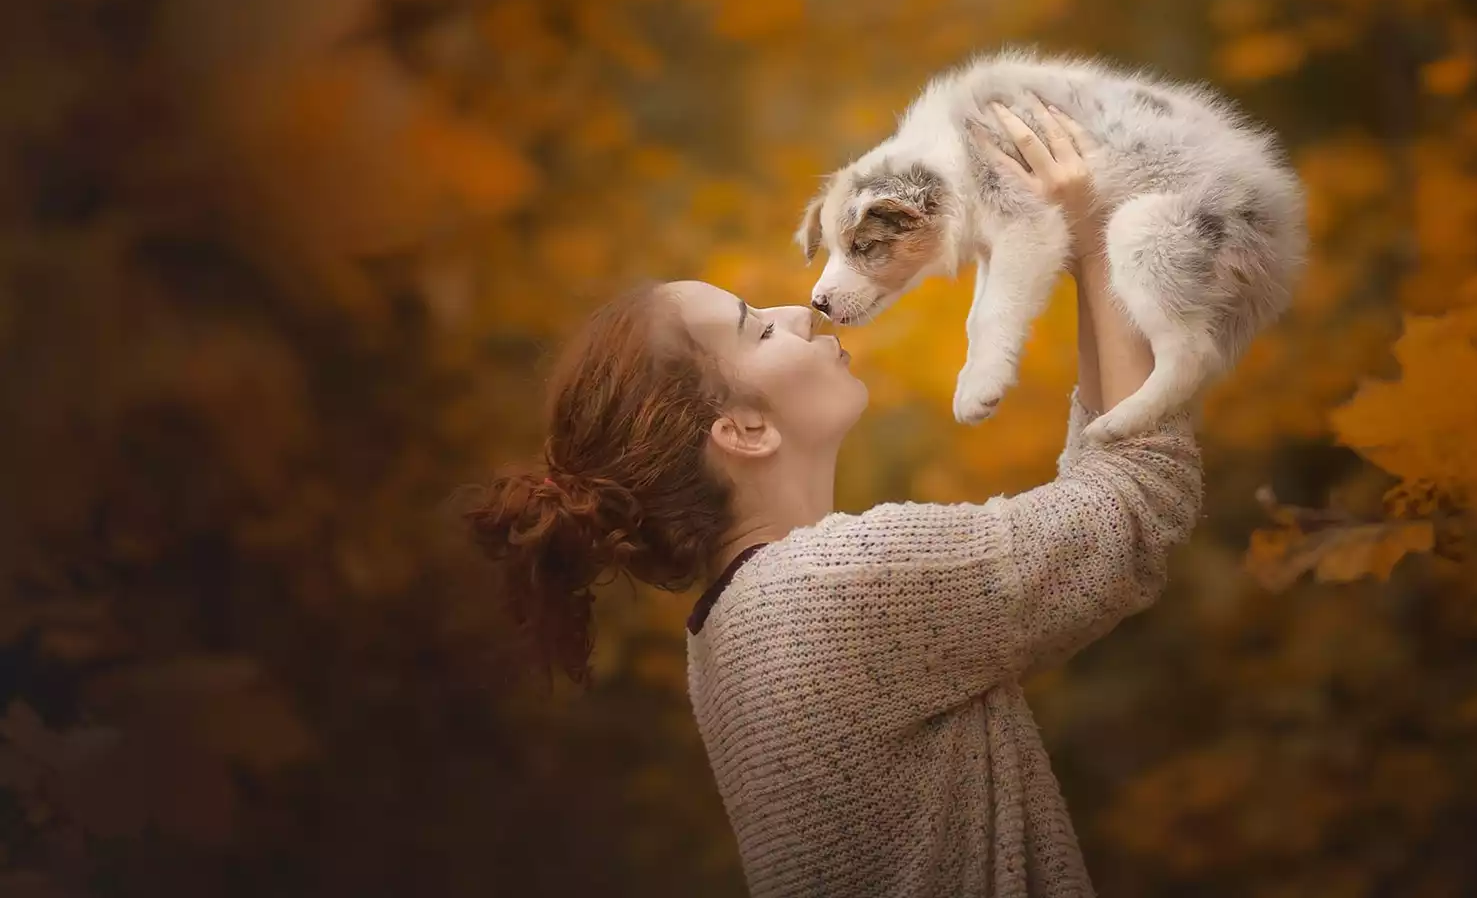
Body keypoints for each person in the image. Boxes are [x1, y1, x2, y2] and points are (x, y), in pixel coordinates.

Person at [463, 101, 1204, 896]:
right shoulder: (830, 589)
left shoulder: (733, 629)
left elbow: (1106, 501)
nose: (798, 313)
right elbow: (1133, 505)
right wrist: (1100, 239)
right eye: (757, 330)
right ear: (743, 430)